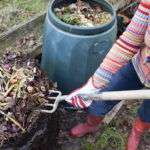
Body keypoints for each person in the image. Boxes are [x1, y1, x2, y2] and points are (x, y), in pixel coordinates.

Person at [65, 0, 150, 149]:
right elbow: (130, 41)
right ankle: (92, 124)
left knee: (148, 114)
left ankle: (136, 132)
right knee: (102, 98)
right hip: (140, 66)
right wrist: (95, 83)